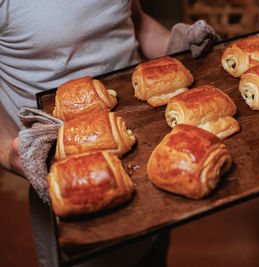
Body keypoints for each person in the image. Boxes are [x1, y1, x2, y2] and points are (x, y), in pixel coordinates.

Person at [0, 0, 218, 266]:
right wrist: (7, 151)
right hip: (72, 178)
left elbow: (132, 23)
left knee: (151, 254)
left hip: (146, 149)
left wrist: (176, 46)